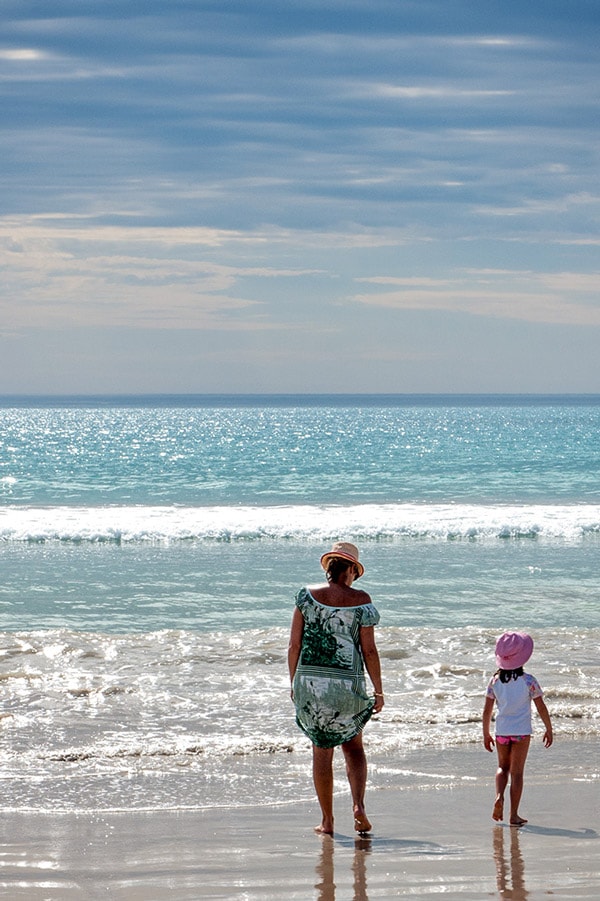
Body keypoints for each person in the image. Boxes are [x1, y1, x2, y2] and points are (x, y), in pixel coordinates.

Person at [288, 542, 384, 836]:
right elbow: (369, 651)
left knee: (321, 750)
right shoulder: (361, 600)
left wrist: (294, 683)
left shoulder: (306, 597)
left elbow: (294, 644)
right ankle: (358, 806)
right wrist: (379, 691)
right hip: (346, 683)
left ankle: (328, 820)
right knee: (353, 746)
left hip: (311, 683)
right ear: (351, 569)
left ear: (329, 567)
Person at [482, 631, 553, 826]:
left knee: (502, 767)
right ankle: (513, 815)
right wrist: (549, 728)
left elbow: (487, 710)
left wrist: (486, 733)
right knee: (517, 773)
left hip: (502, 732)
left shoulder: (494, 681)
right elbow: (541, 706)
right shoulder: (528, 681)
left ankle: (499, 796)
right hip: (521, 732)